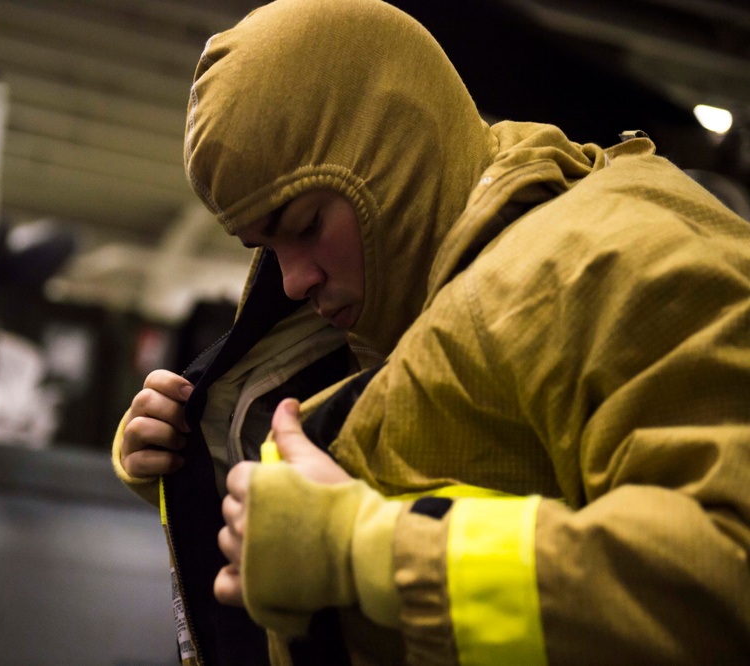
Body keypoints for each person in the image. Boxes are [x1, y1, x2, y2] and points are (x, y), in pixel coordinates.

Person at [111, 0, 750, 663]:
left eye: (305, 226)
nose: (295, 278)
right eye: (266, 247)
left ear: (392, 154)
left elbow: (727, 570)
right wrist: (194, 467)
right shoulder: (397, 314)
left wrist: (372, 553)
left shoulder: (623, 260)